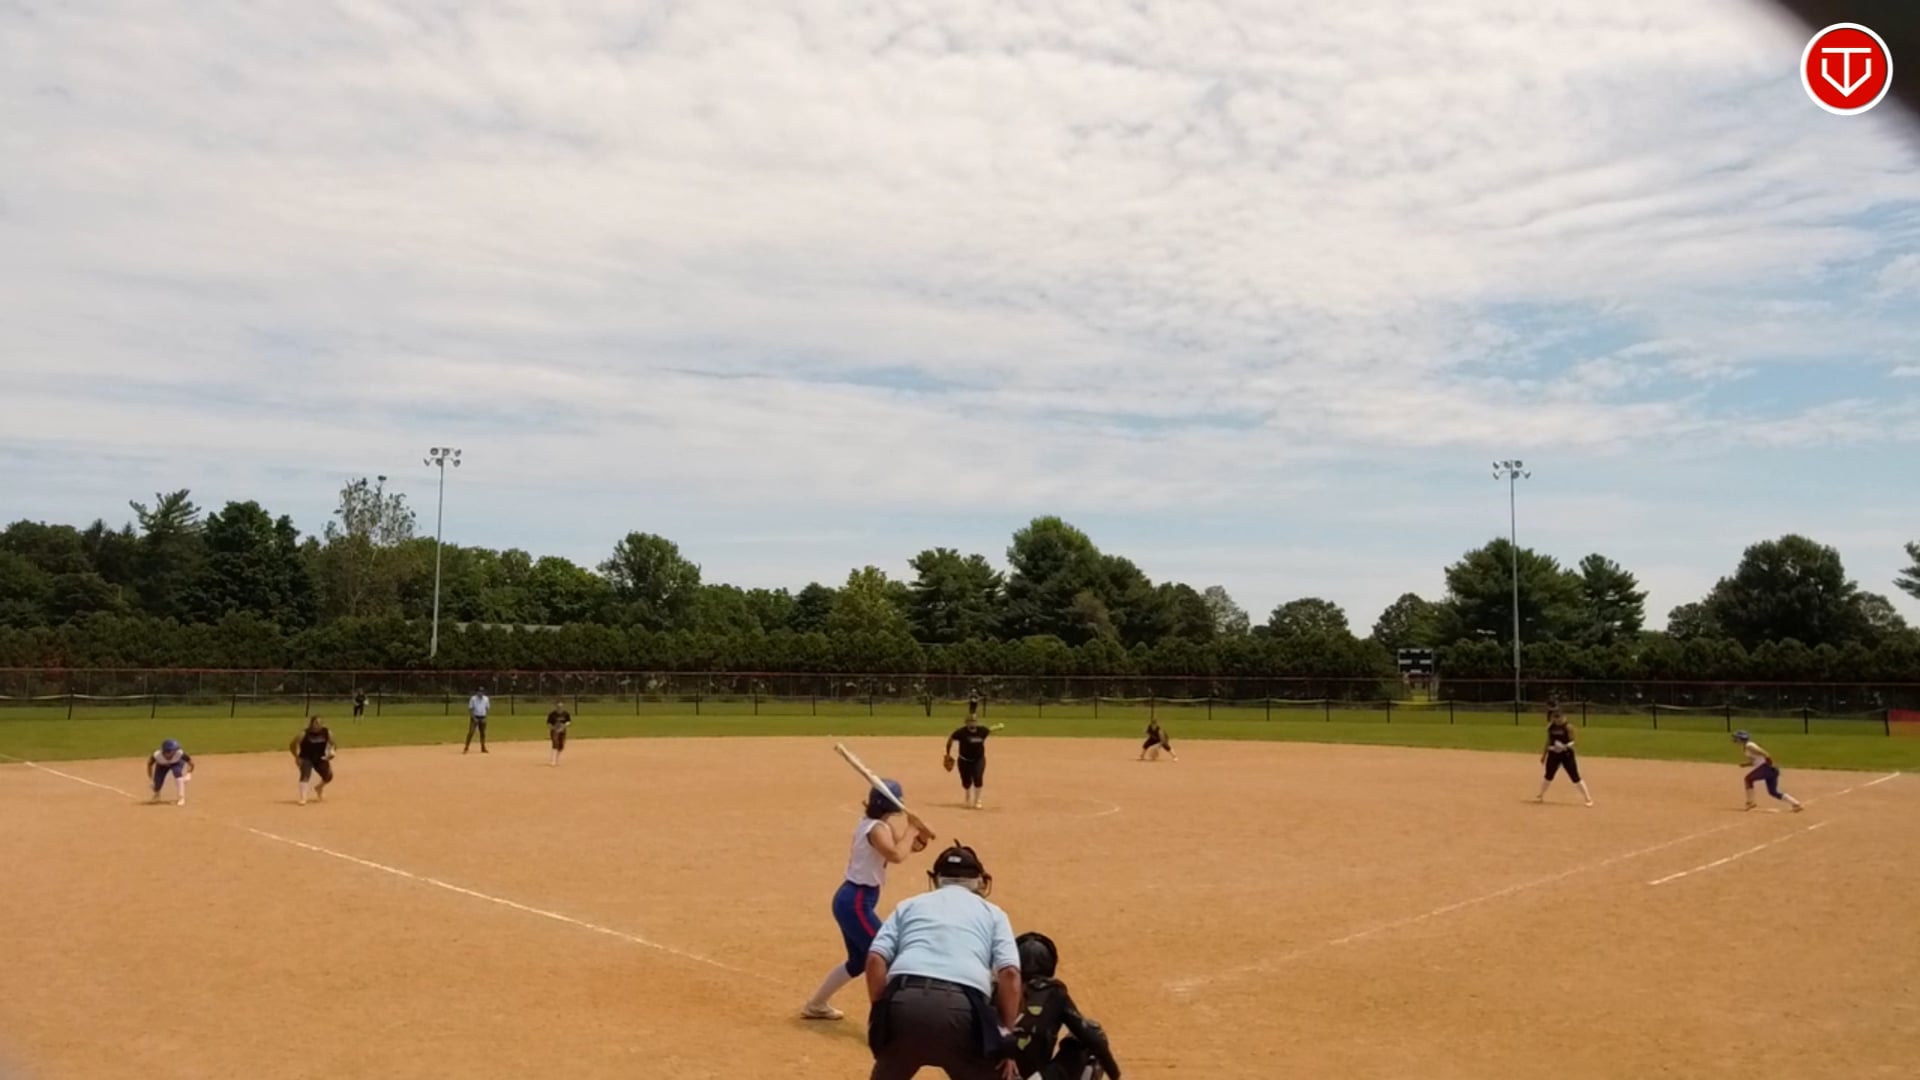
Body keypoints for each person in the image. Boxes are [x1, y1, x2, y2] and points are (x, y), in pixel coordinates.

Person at [864, 842, 1023, 1080]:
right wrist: (1006, 1034)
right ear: (979, 881)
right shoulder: (993, 914)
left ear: (936, 879)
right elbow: (1010, 974)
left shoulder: (909, 905)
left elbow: (875, 958)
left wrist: (881, 1010)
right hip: (962, 1011)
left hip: (904, 1006)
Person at [801, 779, 936, 1021]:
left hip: (854, 900)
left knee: (858, 961)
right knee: (887, 955)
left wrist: (918, 835)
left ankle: (816, 1004)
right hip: (855, 902)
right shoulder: (875, 829)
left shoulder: (880, 825)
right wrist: (912, 829)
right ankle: (889, 1019)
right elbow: (895, 855)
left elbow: (906, 847)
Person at [1009, 932, 1122, 1080]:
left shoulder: (997, 989)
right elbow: (1093, 1039)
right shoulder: (1054, 992)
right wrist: (1115, 1075)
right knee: (1090, 1034)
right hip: (1036, 1078)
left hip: (995, 1074)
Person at [945, 706, 1003, 810]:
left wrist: (998, 727)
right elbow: (950, 740)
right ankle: (967, 794)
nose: (972, 723)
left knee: (978, 777)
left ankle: (977, 800)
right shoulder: (961, 732)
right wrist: (948, 754)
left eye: (974, 721)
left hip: (978, 759)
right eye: (970, 721)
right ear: (966, 723)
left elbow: (989, 730)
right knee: (966, 782)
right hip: (964, 760)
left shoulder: (982, 731)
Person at [1733, 731, 1804, 812]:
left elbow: (1765, 753)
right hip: (1768, 769)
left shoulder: (1750, 746)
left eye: (1737, 738)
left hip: (1767, 768)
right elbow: (1755, 761)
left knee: (1748, 779)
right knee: (1773, 792)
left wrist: (1770, 764)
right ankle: (1796, 804)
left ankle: (1750, 802)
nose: (1735, 739)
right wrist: (1746, 764)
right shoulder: (1746, 747)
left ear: (1741, 738)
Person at [1535, 708, 1593, 806]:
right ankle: (1541, 795)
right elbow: (1548, 741)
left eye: (1559, 718)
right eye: (1555, 718)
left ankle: (1588, 798)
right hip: (1554, 754)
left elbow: (1573, 741)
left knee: (1575, 776)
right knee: (1549, 775)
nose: (1557, 720)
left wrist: (1564, 746)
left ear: (1563, 717)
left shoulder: (1568, 727)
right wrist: (1544, 755)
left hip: (1567, 754)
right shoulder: (1551, 727)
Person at [290, 716, 335, 805]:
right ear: (311, 724)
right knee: (305, 775)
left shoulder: (327, 732)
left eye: (320, 723)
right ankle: (303, 798)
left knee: (328, 776)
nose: (318, 725)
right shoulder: (304, 733)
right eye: (316, 723)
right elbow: (292, 745)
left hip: (320, 757)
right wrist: (297, 757)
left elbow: (333, 744)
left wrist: (331, 753)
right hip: (306, 757)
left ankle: (319, 787)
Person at [146, 738, 194, 806]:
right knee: (157, 784)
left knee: (177, 773)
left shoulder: (179, 753)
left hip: (177, 763)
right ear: (165, 751)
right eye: (173, 750)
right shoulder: (157, 755)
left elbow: (191, 763)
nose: (175, 751)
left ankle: (181, 797)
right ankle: (157, 794)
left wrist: (189, 773)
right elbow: (149, 765)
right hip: (162, 765)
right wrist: (151, 779)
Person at [546, 699, 572, 766]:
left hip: (563, 731)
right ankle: (553, 760)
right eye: (558, 705)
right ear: (555, 706)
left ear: (562, 705)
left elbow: (569, 721)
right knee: (555, 744)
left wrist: (565, 725)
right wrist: (553, 728)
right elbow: (548, 723)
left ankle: (556, 758)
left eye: (560, 705)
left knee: (561, 746)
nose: (559, 706)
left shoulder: (566, 713)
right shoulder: (552, 714)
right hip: (554, 731)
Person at [465, 686, 490, 754]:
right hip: (475, 717)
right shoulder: (473, 699)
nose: (481, 693)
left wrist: (485, 717)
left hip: (483, 717)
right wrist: (474, 718)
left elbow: (487, 708)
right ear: (477, 692)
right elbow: (470, 709)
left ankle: (483, 747)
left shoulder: (486, 699)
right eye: (479, 692)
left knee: (483, 733)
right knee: (471, 732)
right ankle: (466, 747)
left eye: (482, 692)